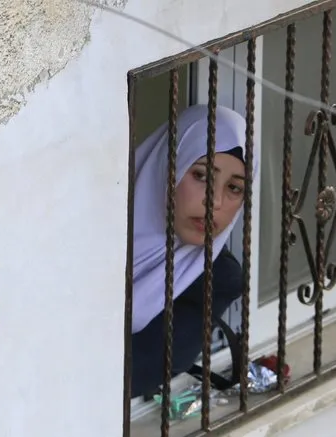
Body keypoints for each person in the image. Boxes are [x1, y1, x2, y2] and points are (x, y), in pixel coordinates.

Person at [129, 104, 256, 398]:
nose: (215, 202)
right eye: (201, 176)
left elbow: (122, 377)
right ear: (167, 166)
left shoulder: (215, 280)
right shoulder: (86, 224)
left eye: (235, 188)